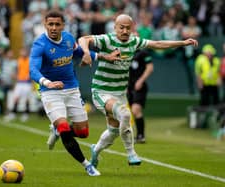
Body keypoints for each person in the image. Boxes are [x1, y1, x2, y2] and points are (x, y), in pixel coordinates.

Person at [78, 14, 198, 168]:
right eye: (121, 27)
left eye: (128, 28)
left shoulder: (134, 41)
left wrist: (182, 42)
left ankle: (96, 150)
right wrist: (87, 53)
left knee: (114, 130)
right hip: (102, 91)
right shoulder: (107, 39)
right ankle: (131, 153)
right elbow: (83, 39)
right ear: (115, 27)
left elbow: (158, 44)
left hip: (119, 93)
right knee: (126, 114)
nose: (125, 30)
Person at [29, 10, 101, 176]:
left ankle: (58, 131)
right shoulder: (40, 44)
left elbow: (79, 53)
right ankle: (87, 165)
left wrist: (101, 56)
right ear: (45, 25)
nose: (53, 27)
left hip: (71, 89)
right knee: (63, 126)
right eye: (50, 24)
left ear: (63, 25)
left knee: (83, 132)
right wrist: (47, 82)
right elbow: (33, 70)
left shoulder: (68, 38)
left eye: (57, 24)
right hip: (50, 91)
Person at [127, 49, 153, 144]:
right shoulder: (125, 51)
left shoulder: (143, 53)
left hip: (139, 86)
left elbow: (150, 68)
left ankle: (141, 135)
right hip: (128, 86)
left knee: (136, 109)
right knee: (130, 111)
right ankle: (138, 135)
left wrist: (141, 80)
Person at [4, 47, 32, 122]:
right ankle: (13, 113)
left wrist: (29, 76)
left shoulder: (30, 60)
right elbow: (16, 70)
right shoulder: (19, 60)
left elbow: (32, 70)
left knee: (26, 99)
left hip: (27, 83)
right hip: (19, 82)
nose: (23, 53)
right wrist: (15, 75)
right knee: (16, 98)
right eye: (22, 52)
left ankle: (26, 114)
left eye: (24, 51)